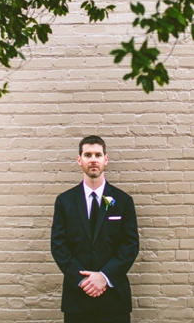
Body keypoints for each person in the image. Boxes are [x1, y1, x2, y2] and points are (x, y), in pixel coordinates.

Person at [51, 135, 140, 323]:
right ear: (79, 159)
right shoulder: (64, 201)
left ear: (105, 159)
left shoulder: (123, 201)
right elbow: (59, 245)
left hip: (114, 299)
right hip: (77, 299)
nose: (93, 159)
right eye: (88, 154)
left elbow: (130, 245)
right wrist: (83, 280)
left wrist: (104, 277)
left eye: (98, 155)